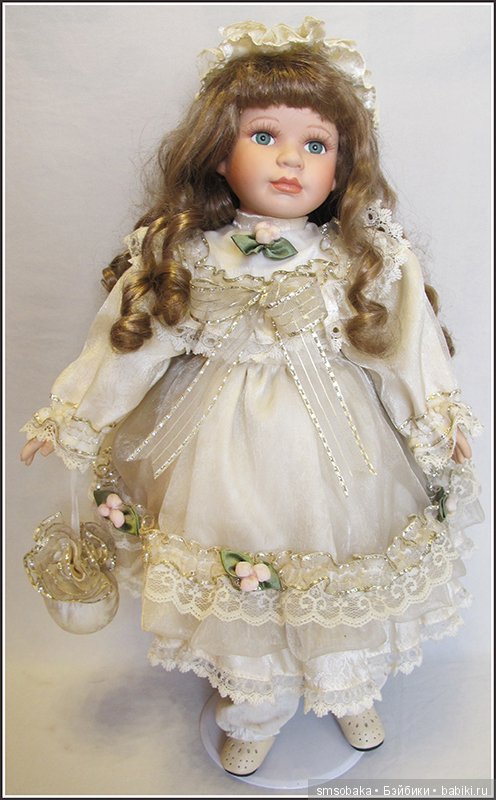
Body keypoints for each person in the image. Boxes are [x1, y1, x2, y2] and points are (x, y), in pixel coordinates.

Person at [20, 18, 483, 777]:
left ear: (342, 166)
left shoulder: (358, 256)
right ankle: (255, 705)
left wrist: (436, 417)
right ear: (219, 152)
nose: (291, 160)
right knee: (240, 583)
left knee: (343, 564)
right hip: (220, 452)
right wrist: (74, 412)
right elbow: (131, 344)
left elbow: (404, 344)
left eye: (316, 145)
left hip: (338, 455)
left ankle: (348, 683)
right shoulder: (186, 256)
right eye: (264, 136)